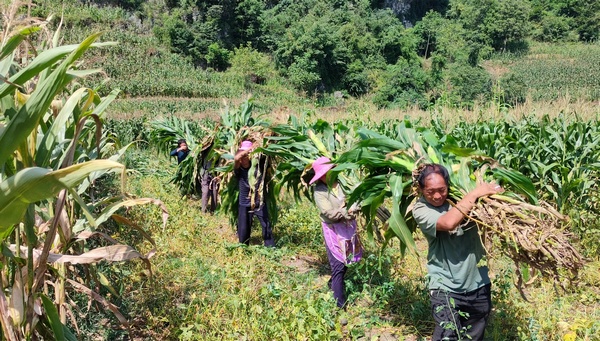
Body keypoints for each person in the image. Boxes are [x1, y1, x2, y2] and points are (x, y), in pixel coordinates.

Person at [412, 163, 503, 341]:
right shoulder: (421, 209)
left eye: (442, 189)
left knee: (473, 337)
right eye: (431, 191)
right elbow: (448, 223)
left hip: (478, 283)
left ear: (449, 185)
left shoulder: (466, 200)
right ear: (421, 189)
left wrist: (495, 189)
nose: (437, 195)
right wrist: (475, 193)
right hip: (445, 286)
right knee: (447, 336)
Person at [310, 156, 362, 308]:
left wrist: (356, 206)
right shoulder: (319, 191)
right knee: (338, 265)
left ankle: (333, 284)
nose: (328, 174)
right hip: (333, 228)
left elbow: (357, 197)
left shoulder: (343, 183)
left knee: (346, 262)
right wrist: (347, 210)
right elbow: (329, 213)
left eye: (330, 170)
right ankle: (339, 305)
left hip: (348, 227)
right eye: (324, 173)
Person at [233, 140, 275, 247]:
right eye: (243, 155)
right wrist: (249, 150)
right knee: (243, 229)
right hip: (244, 202)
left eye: (247, 156)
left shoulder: (258, 167)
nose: (244, 158)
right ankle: (243, 247)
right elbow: (236, 158)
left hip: (258, 201)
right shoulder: (238, 169)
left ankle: (270, 248)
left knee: (266, 225)